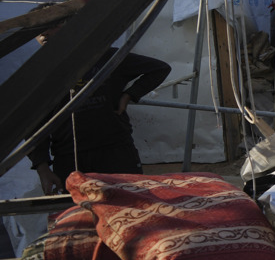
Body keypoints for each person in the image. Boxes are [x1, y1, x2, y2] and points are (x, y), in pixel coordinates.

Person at [27, 21, 171, 194]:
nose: (44, 33)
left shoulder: (105, 57)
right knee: (78, 209)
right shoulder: (37, 74)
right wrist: (42, 168)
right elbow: (33, 125)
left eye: (51, 26)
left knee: (130, 203)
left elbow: (159, 69)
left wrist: (130, 95)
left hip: (115, 150)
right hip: (69, 156)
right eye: (38, 30)